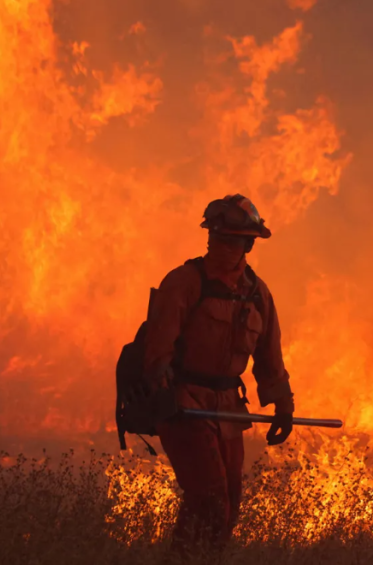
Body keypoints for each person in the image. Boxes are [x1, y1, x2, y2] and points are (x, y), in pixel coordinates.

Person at [142, 194, 294, 551]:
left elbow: (270, 357)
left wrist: (282, 405)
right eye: (218, 237)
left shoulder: (258, 294)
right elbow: (158, 347)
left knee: (229, 503)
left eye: (233, 239)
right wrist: (163, 387)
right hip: (185, 404)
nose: (223, 245)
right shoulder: (184, 282)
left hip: (227, 409)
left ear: (249, 245)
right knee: (209, 498)